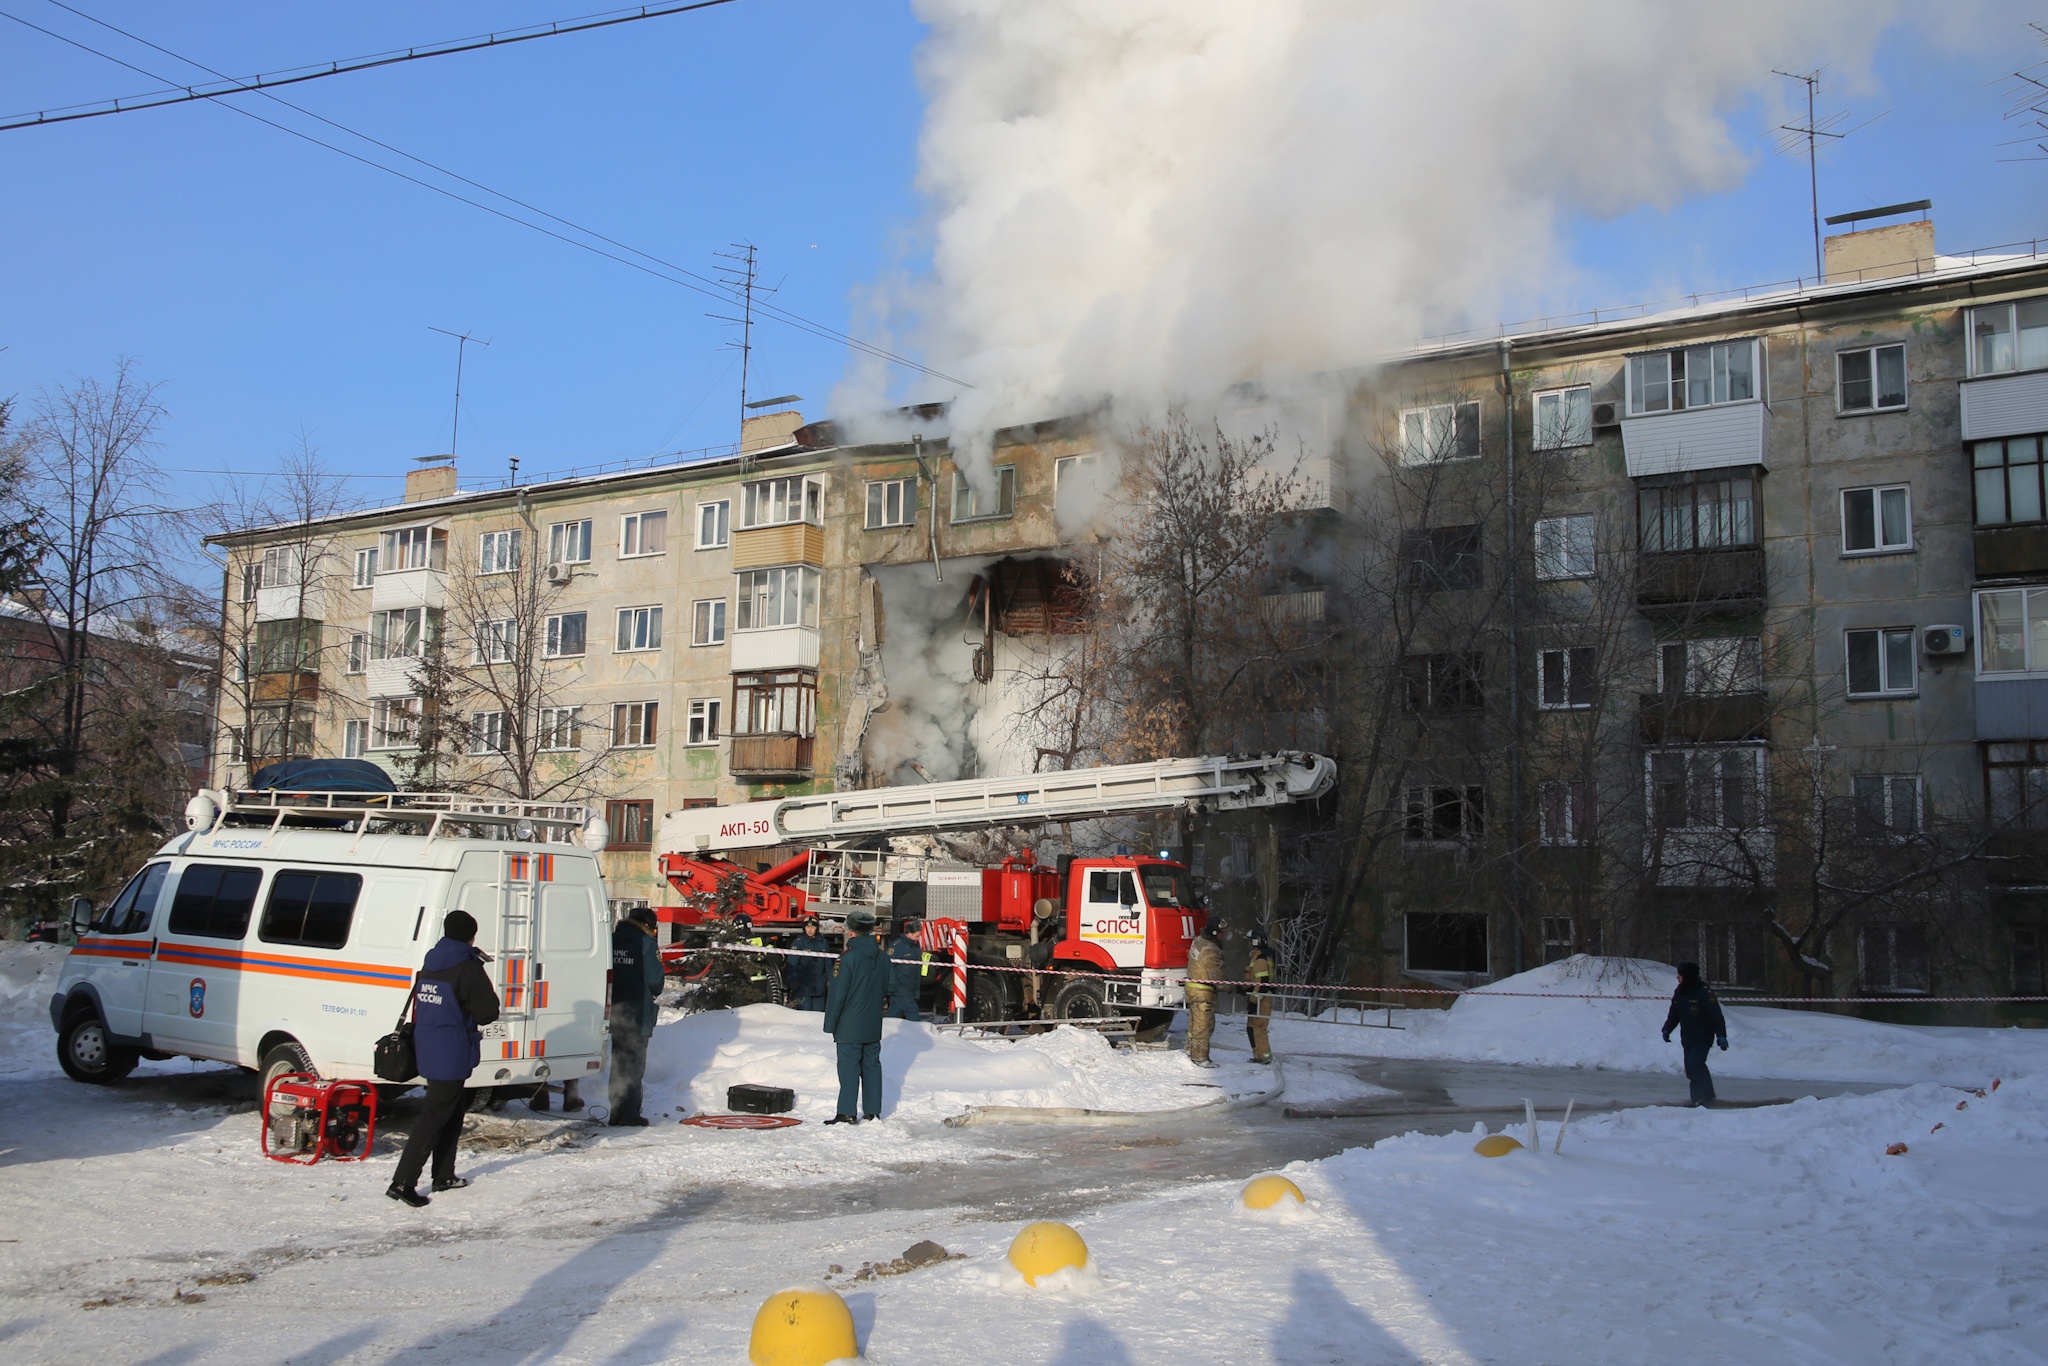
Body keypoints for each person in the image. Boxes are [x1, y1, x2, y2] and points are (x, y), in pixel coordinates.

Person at [387, 910, 500, 1208]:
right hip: (451, 1049)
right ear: (471, 936)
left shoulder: (433, 959)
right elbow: (488, 1012)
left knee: (452, 1110)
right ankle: (403, 1182)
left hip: (429, 1044)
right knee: (434, 1115)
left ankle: (444, 1175)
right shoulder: (467, 966)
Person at [822, 907, 888, 1123]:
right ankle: (873, 1111)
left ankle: (846, 1112)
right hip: (872, 1022)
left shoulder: (847, 958)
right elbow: (890, 986)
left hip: (850, 1023)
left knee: (849, 1069)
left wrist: (830, 1024)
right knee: (872, 1067)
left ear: (851, 931)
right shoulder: (883, 958)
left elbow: (837, 994)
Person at [608, 905, 664, 1127]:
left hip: (615, 1010)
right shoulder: (646, 944)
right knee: (634, 1063)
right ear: (649, 925)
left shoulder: (612, 940)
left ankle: (616, 1110)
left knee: (619, 1061)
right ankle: (630, 1113)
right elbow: (654, 981)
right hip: (638, 1012)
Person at [1661, 960, 1729, 1107]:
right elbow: (1674, 1013)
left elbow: (1716, 1015)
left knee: (1696, 1063)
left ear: (1687, 975)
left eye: (1679, 974)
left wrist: (1721, 1035)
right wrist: (1667, 1028)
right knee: (1690, 1067)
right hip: (1688, 1036)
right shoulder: (1681, 991)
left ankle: (1705, 1097)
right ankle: (1697, 1098)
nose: (1677, 977)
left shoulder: (1703, 992)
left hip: (1703, 1035)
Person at [1184, 922, 1223, 1068]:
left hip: (1194, 988)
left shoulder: (1199, 941)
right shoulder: (1210, 949)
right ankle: (1200, 1057)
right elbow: (1216, 973)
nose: (1223, 936)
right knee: (1204, 1025)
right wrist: (1230, 987)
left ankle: (1190, 1050)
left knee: (1194, 1024)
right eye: (1221, 933)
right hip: (1203, 992)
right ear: (1214, 933)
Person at [787, 916, 832, 1012]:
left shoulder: (823, 943)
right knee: (804, 1017)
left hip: (819, 989)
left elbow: (828, 964)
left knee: (819, 1017)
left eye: (813, 927)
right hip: (803, 989)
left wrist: (830, 980)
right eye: (807, 927)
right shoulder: (799, 943)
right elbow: (792, 964)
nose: (810, 930)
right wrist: (793, 980)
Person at [885, 919, 925, 1021]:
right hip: (900, 986)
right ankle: (917, 1033)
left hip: (910, 985)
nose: (918, 938)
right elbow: (887, 966)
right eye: (916, 936)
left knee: (894, 1012)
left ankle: (885, 1031)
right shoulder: (897, 946)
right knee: (911, 1009)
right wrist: (891, 985)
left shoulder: (915, 946)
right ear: (909, 934)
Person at [1245, 931, 1276, 1065]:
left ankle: (1264, 1056)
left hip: (1261, 1000)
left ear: (1255, 942)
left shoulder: (1260, 960)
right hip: (1258, 997)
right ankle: (1258, 1055)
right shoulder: (1257, 958)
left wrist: (1253, 1000)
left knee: (1259, 1028)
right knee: (1252, 1027)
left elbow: (1262, 983)